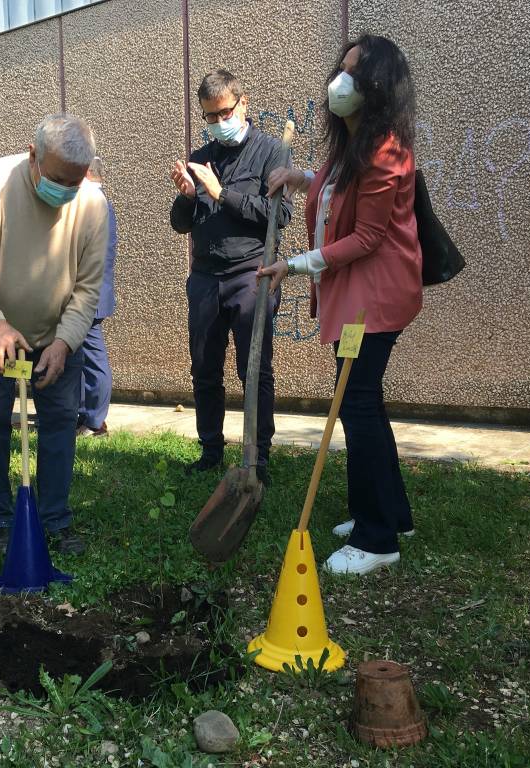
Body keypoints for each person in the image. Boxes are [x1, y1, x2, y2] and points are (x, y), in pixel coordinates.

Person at [260, 35, 422, 576]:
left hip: (374, 299)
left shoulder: (386, 150)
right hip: (354, 294)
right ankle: (388, 513)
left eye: (353, 73)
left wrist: (296, 264)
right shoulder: (353, 143)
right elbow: (335, 190)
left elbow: (369, 237)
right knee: (364, 403)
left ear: (375, 88)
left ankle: (378, 540)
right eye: (341, 68)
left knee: (355, 404)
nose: (340, 81)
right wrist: (299, 176)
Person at [0, 114, 108, 556]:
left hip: (58, 331)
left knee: (61, 421)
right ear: (32, 156)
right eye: (58, 179)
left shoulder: (93, 204)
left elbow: (87, 288)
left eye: (75, 183)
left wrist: (63, 343)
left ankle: (54, 517)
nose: (66, 192)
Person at [169, 69, 293, 484]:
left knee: (254, 369)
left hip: (251, 275)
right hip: (205, 277)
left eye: (225, 111)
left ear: (243, 104)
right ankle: (210, 451)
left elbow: (278, 216)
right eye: (210, 116)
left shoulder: (271, 152)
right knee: (204, 367)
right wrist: (188, 197)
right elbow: (180, 224)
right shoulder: (203, 156)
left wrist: (222, 193)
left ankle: (257, 457)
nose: (219, 122)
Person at [76, 157, 117, 438]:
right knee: (80, 358)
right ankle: (85, 416)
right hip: (88, 294)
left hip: (88, 296)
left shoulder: (95, 204)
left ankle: (95, 421)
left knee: (92, 358)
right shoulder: (97, 203)